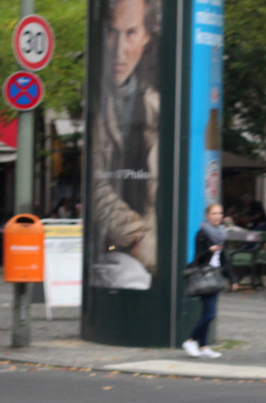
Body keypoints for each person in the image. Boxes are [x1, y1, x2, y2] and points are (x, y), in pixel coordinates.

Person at [91, 0, 160, 289]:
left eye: (130, 32)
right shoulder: (96, 104)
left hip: (151, 250)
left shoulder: (157, 106)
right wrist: (138, 237)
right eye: (112, 32)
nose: (119, 50)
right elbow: (95, 183)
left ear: (146, 37)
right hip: (120, 249)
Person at [181, 203, 227, 359]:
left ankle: (203, 346)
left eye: (220, 213)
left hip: (215, 276)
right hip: (204, 276)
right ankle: (190, 340)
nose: (217, 216)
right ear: (207, 216)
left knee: (208, 313)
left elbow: (224, 257)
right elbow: (197, 258)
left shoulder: (221, 233)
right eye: (214, 213)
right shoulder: (202, 234)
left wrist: (233, 278)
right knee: (209, 314)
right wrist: (210, 250)